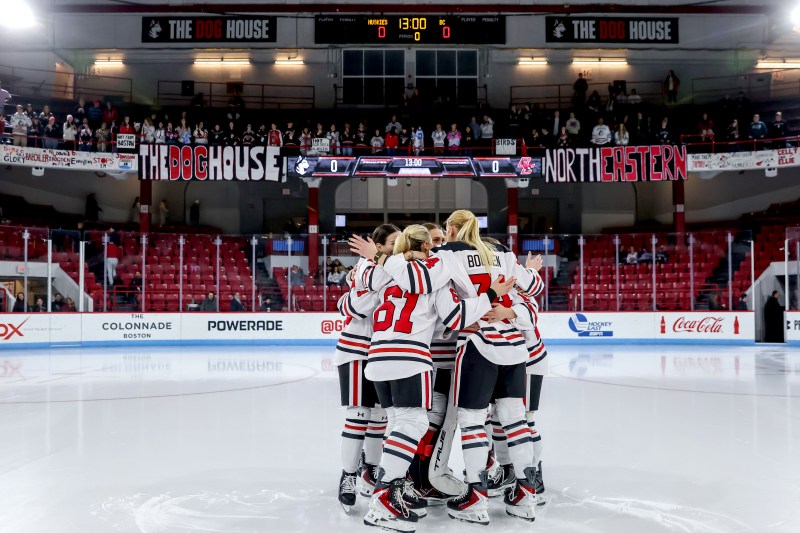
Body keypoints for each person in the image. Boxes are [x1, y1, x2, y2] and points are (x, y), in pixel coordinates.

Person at [334, 224, 400, 509]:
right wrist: (352, 299)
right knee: (359, 414)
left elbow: (355, 303)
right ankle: (348, 475)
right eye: (393, 241)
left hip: (383, 353)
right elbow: (358, 306)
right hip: (356, 350)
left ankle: (370, 469)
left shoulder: (396, 266)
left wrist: (351, 300)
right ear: (378, 244)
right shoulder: (368, 266)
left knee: (381, 418)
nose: (398, 245)